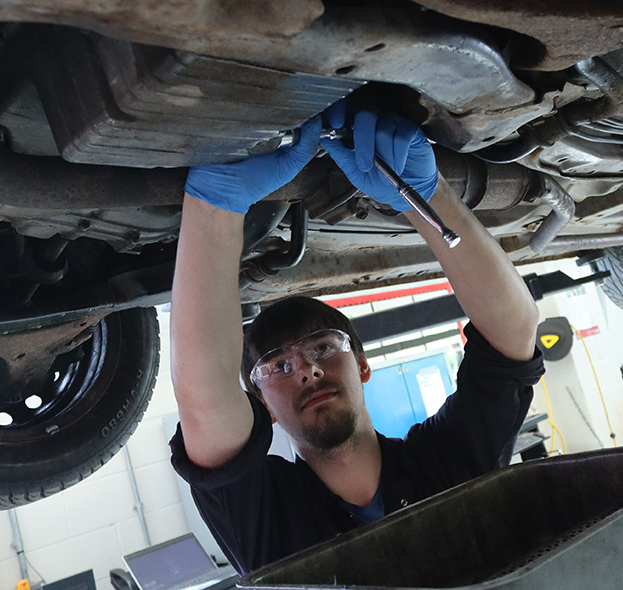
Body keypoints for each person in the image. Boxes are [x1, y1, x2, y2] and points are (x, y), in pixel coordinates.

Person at [168, 106, 544, 575]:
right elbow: (204, 402)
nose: (306, 369)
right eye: (278, 366)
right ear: (262, 404)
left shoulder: (443, 463)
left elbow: (513, 332)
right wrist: (213, 204)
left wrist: (429, 195)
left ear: (363, 366)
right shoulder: (267, 513)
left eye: (323, 347)